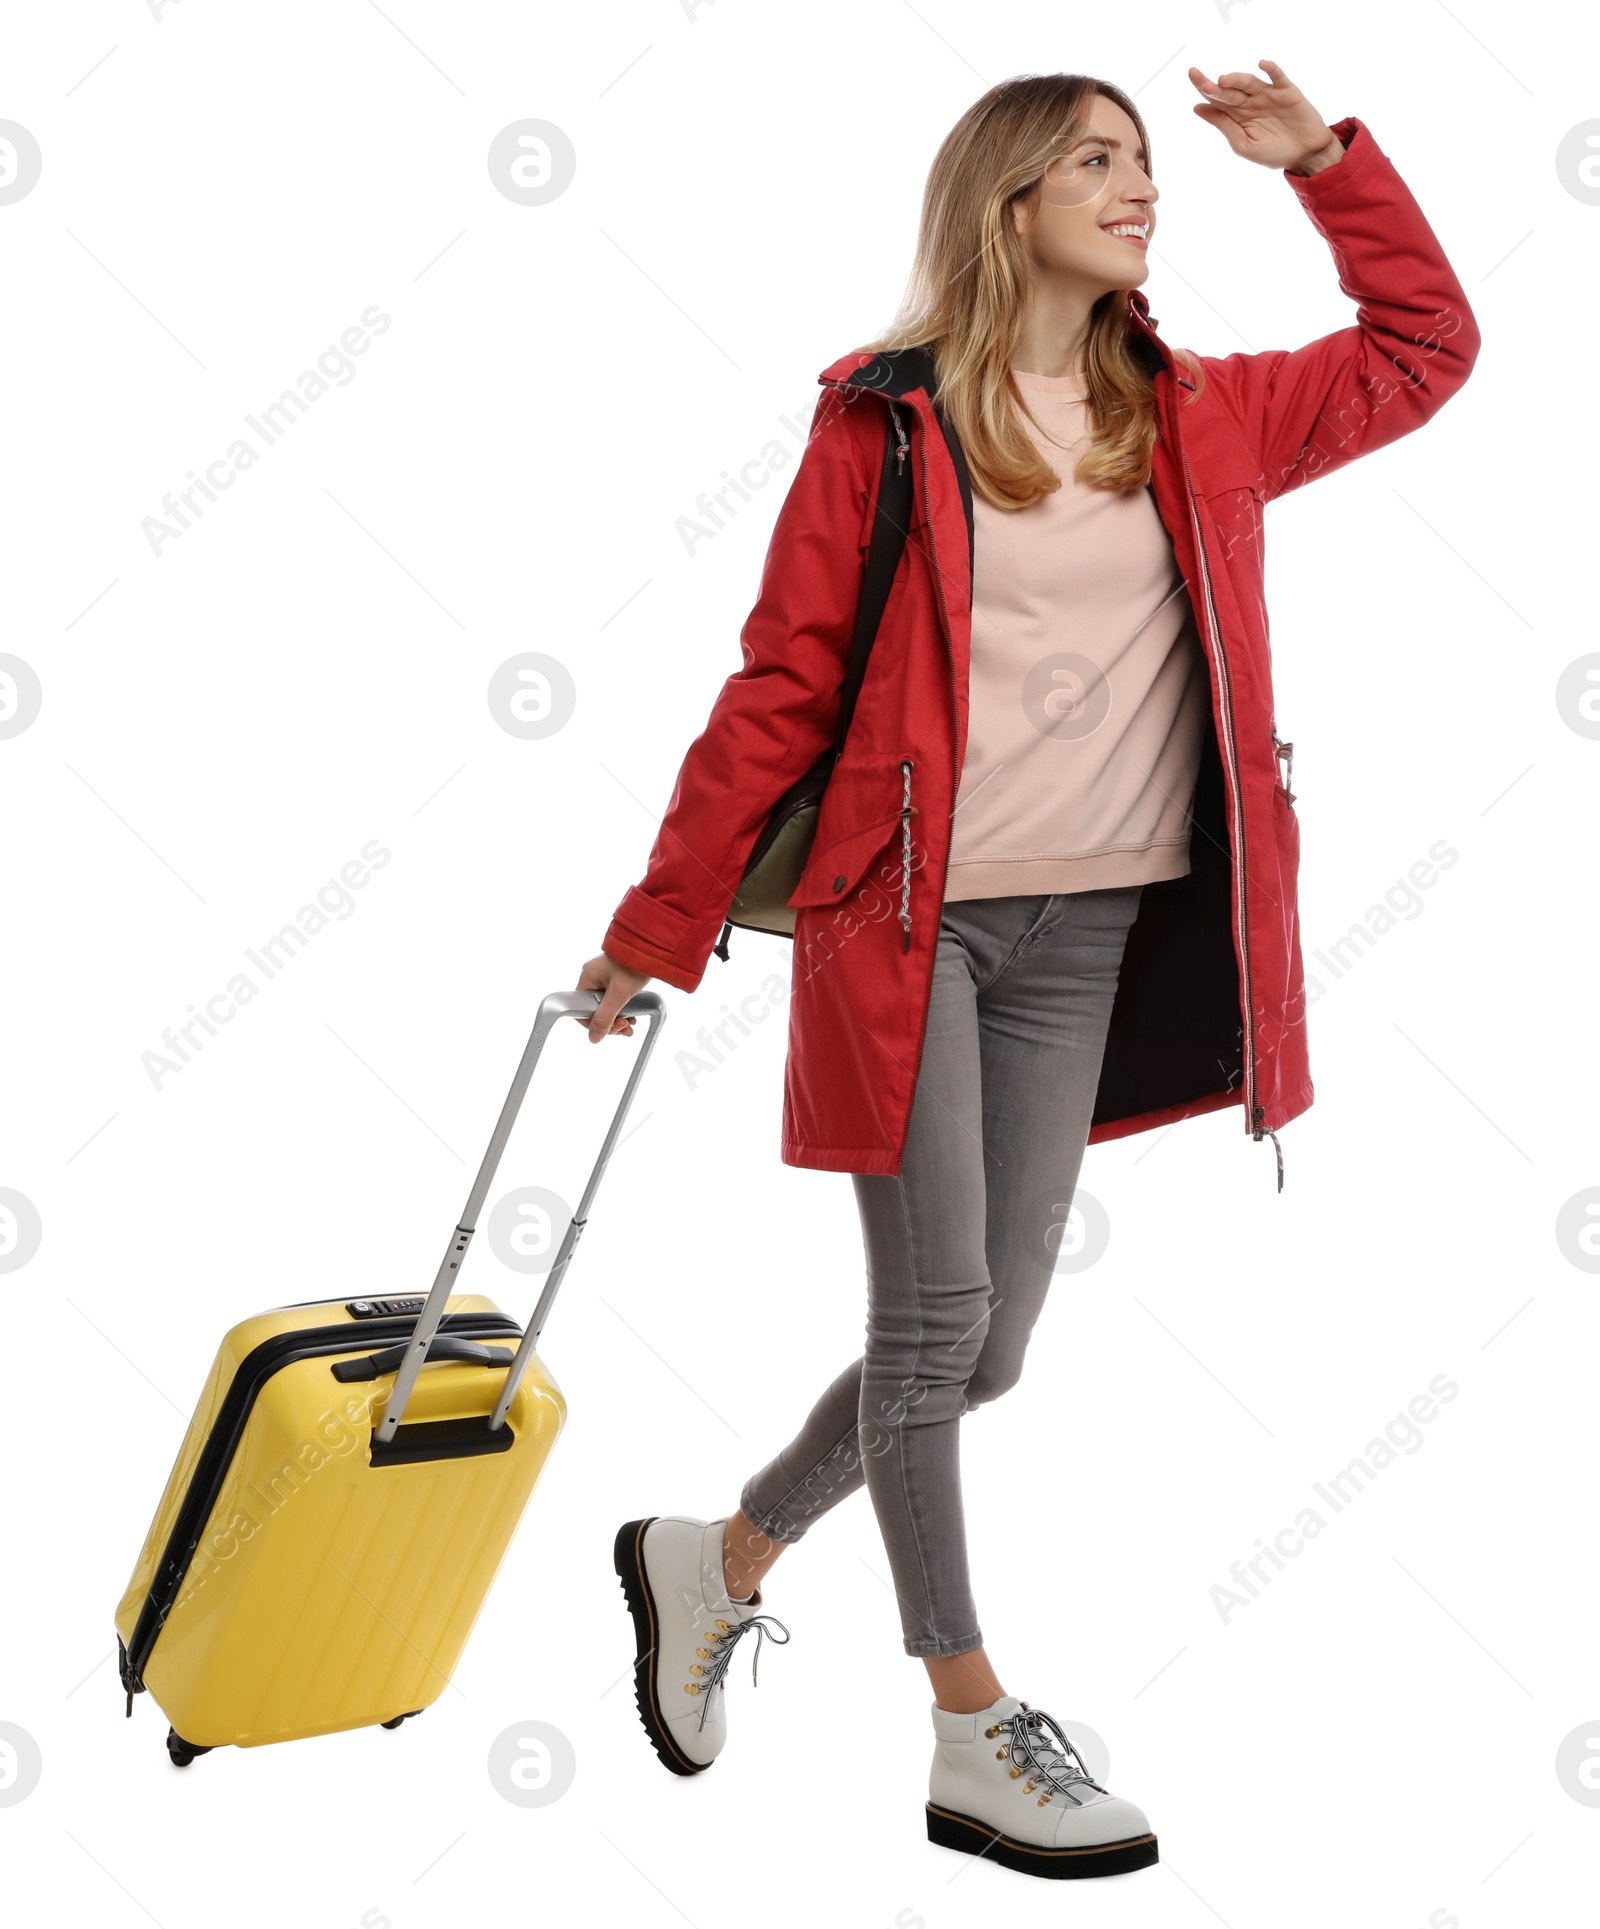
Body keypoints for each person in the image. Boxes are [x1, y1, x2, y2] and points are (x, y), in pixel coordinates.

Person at [584, 62, 1478, 1881]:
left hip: (1092, 934)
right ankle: (975, 1724)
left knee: (984, 1350)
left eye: (1146, 163)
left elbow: (1425, 344)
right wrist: (652, 929)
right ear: (1007, 201)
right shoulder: (888, 422)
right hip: (908, 935)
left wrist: (1324, 163)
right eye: (1098, 160)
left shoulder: (1206, 415)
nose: (1141, 186)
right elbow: (777, 693)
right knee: (930, 1335)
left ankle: (721, 1556)